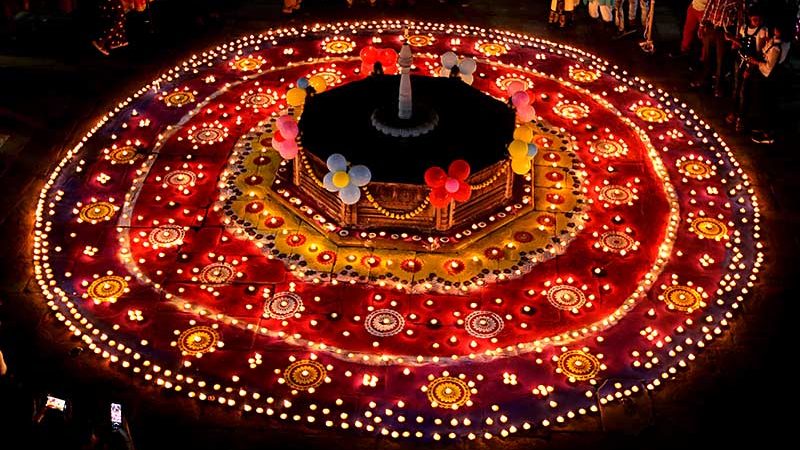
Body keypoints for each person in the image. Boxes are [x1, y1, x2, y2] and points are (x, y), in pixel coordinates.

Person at [743, 25, 787, 144]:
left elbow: (769, 67)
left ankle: (767, 134)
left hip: (768, 78)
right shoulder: (773, 41)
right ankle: (760, 127)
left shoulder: (777, 48)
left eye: (778, 28)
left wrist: (756, 62)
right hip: (762, 76)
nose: (775, 30)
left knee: (766, 104)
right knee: (760, 102)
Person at [690, 0, 744, 97]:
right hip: (711, 26)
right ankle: (705, 79)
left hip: (724, 31)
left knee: (721, 60)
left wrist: (736, 37)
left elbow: (740, 18)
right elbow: (708, 7)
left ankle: (718, 86)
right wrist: (702, 25)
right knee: (707, 56)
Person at [727, 7, 768, 129]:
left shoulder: (762, 31)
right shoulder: (743, 28)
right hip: (739, 60)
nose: (757, 21)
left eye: (759, 19)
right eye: (755, 19)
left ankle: (741, 117)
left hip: (750, 63)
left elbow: (759, 51)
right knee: (736, 87)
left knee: (744, 91)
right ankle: (733, 112)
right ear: (750, 18)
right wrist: (732, 40)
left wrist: (749, 68)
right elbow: (740, 44)